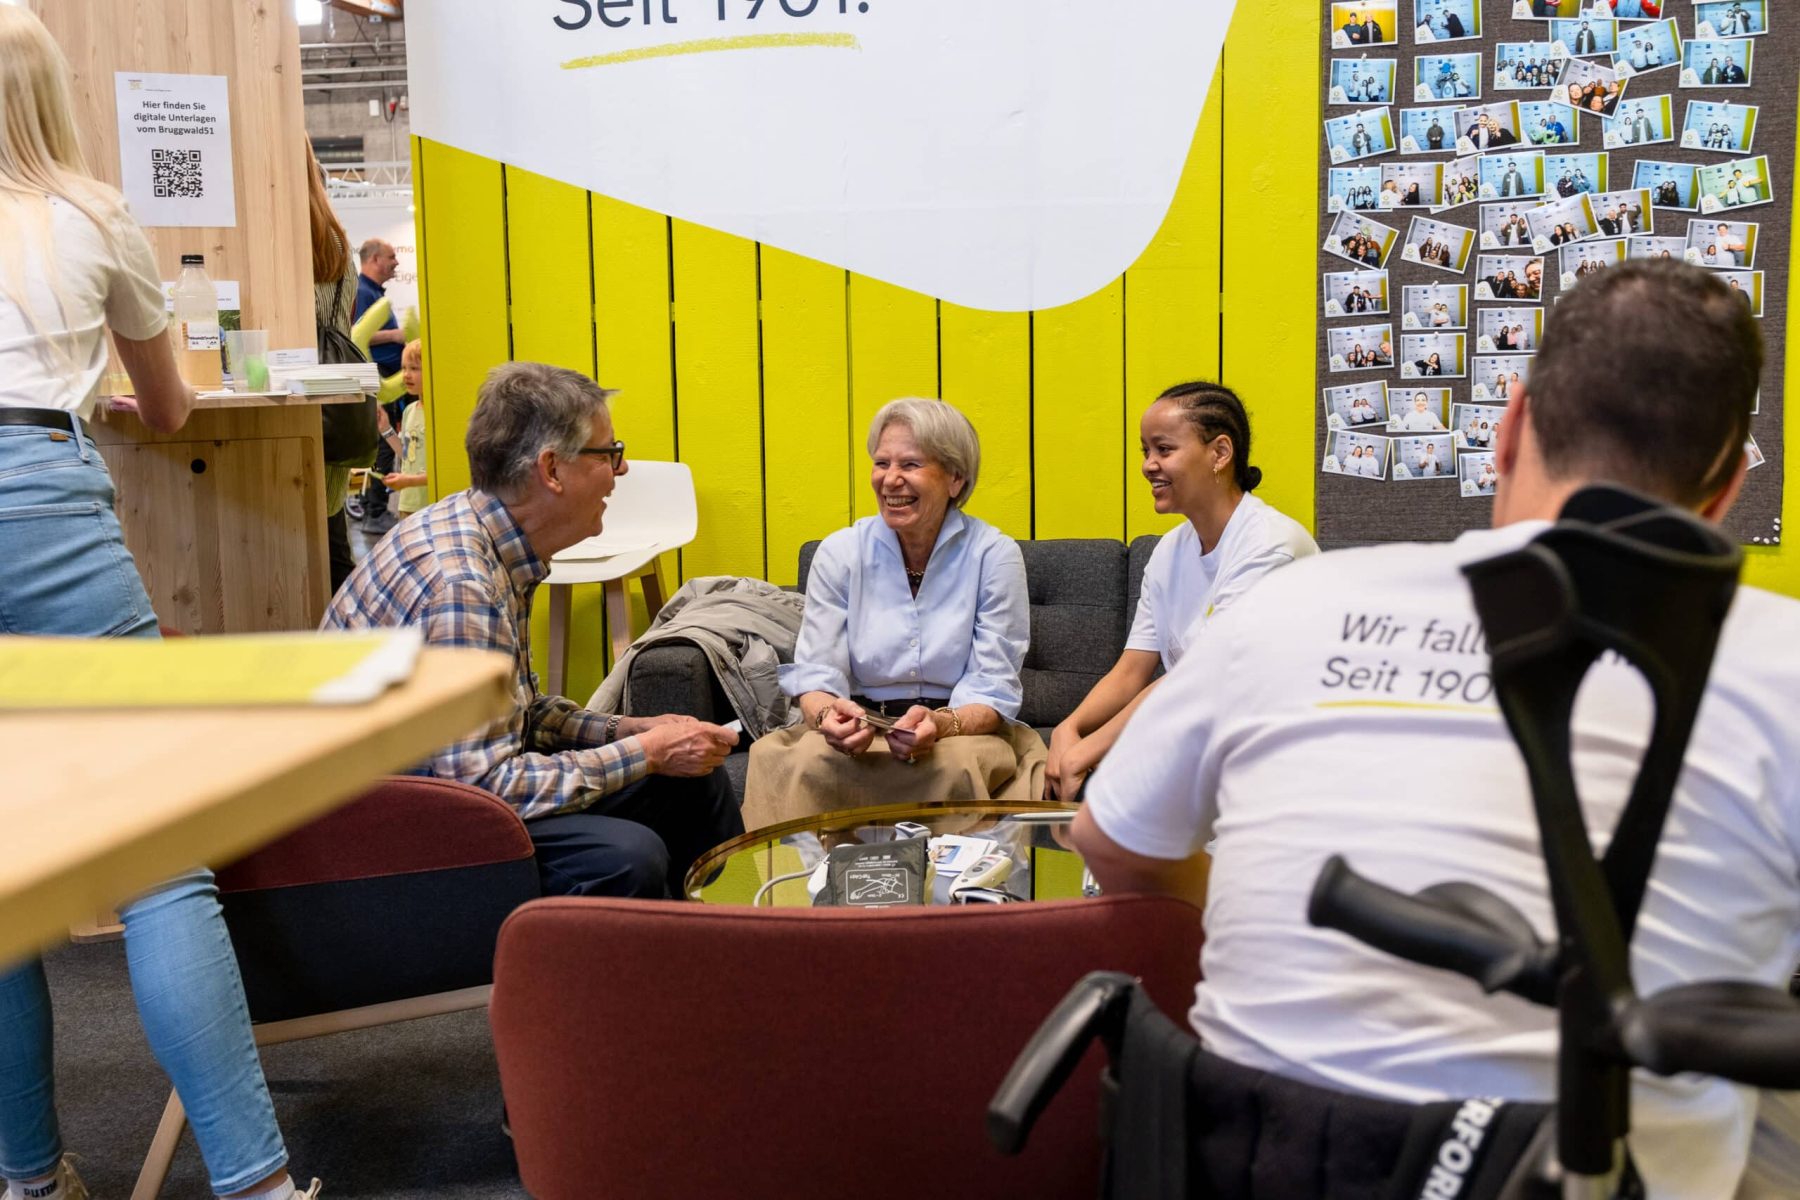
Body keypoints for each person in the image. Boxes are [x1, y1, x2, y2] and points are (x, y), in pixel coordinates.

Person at [1071, 259, 1783, 1199]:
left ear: (1510, 427)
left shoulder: (1293, 599)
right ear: (1726, 490)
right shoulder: (1781, 662)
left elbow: (1111, 844)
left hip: (1257, 1161)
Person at [0, 11, 320, 1200]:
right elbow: (171, 406)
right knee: (159, 865)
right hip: (42, 498)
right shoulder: (89, 216)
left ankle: (30, 1180)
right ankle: (255, 1184)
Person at [324, 362, 742, 897]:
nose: (621, 469)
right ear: (552, 469)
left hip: (446, 784)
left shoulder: (491, 542)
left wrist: (626, 730)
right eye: (608, 453)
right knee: (625, 858)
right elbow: (482, 788)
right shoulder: (462, 587)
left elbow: (519, 713)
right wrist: (647, 752)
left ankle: (702, 938)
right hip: (392, 828)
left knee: (693, 784)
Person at [742, 398, 1039, 828]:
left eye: (911, 464)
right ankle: (807, 875)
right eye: (882, 463)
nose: (890, 479)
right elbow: (816, 673)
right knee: (797, 760)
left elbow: (993, 685)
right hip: (861, 731)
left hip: (956, 731)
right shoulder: (840, 552)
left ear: (955, 478)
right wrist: (828, 716)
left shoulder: (994, 555)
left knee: (958, 767)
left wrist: (941, 724)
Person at [1045, 384, 1314, 800]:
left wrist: (1089, 751)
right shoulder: (1169, 550)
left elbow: (1200, 676)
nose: (1148, 465)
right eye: (1145, 451)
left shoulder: (1270, 546)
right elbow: (1131, 670)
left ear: (1219, 453)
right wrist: (1069, 728)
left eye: (1164, 449)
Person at [307, 139, 368, 596]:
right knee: (331, 530)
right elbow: (345, 318)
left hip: (299, 395)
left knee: (319, 541)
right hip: (335, 390)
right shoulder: (336, 241)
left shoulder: (285, 239)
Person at [353, 238, 405, 528]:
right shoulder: (363, 292)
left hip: (386, 377)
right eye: (391, 256)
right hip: (379, 377)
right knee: (384, 443)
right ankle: (375, 510)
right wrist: (396, 336)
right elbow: (356, 334)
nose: (396, 262)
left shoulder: (371, 292)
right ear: (374, 259)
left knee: (385, 441)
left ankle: (373, 506)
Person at [377, 340, 429, 522]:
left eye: (414, 368)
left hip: (430, 506)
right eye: (404, 368)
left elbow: (441, 472)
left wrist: (408, 481)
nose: (406, 375)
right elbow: (407, 455)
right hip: (407, 505)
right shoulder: (409, 411)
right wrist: (385, 429)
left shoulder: (438, 415)